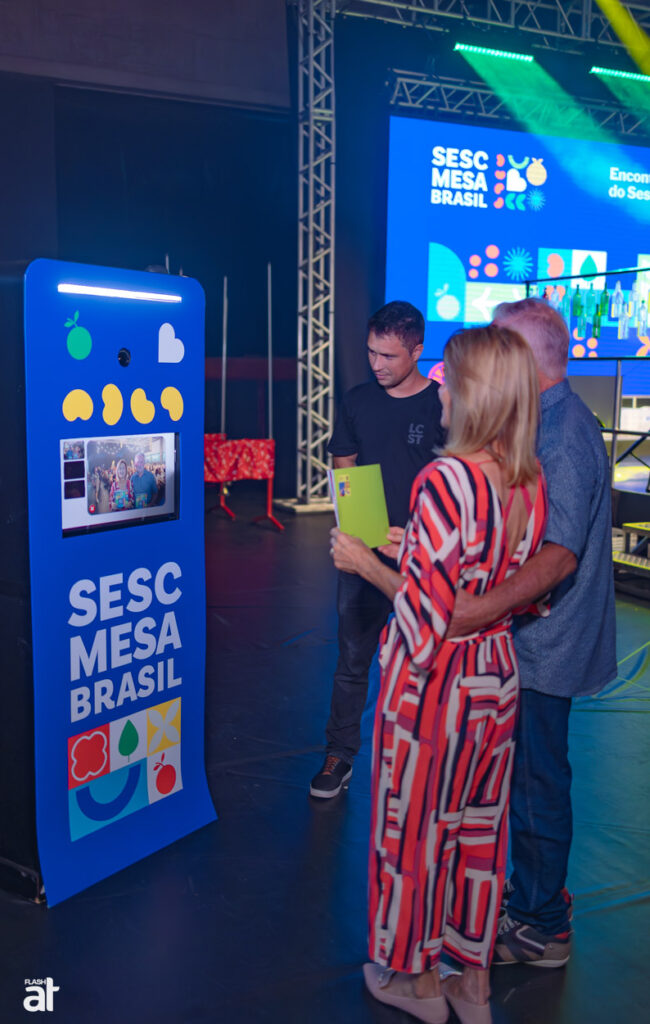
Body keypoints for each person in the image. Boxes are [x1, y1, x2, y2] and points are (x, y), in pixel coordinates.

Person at [331, 325, 547, 1024]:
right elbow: (509, 582)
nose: (441, 392)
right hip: (495, 680)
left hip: (434, 689)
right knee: (479, 833)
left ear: (475, 394)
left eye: (450, 380)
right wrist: (413, 545)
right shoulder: (528, 478)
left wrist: (366, 563)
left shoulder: (446, 479)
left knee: (413, 832)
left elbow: (429, 618)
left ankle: (418, 984)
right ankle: (471, 985)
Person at [448, 298, 617, 968]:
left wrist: (479, 608)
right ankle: (536, 901)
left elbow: (559, 555)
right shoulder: (545, 420)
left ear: (526, 357)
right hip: (533, 639)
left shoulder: (563, 434)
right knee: (527, 779)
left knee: (535, 783)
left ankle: (542, 924)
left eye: (500, 347)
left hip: (546, 649)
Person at [310, 300, 445, 798]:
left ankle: (427, 763)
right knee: (351, 661)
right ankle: (339, 754)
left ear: (417, 350)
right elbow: (344, 464)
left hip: (425, 556)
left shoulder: (443, 405)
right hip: (366, 553)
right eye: (371, 352)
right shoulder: (358, 399)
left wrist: (421, 538)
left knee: (427, 663)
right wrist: (363, 533)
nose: (377, 363)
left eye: (388, 355)